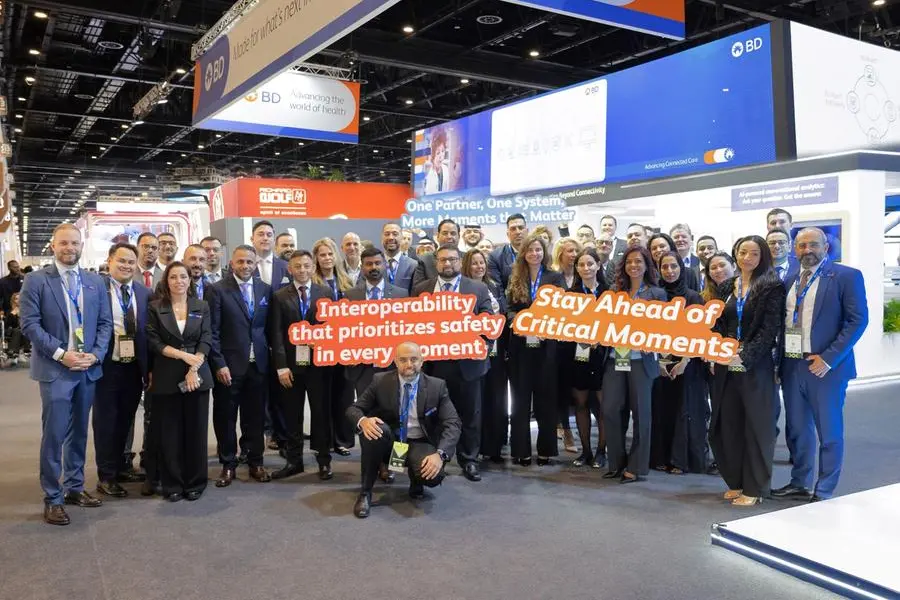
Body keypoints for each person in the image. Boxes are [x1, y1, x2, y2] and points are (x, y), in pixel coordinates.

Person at [20, 224, 113, 525]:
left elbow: (105, 323)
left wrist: (96, 354)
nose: (69, 248)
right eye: (63, 243)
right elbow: (30, 325)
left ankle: (74, 486)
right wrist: (62, 354)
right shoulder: (36, 280)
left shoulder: (94, 281)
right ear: (53, 245)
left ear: (81, 245)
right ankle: (53, 496)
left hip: (87, 367)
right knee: (55, 433)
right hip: (56, 369)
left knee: (80, 432)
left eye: (74, 243)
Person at [772, 228, 868, 502]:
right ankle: (799, 482)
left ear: (826, 247)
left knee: (829, 431)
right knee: (798, 429)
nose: (807, 250)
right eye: (802, 245)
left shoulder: (846, 276)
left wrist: (828, 358)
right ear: (795, 249)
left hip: (826, 367)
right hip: (793, 365)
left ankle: (824, 489)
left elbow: (857, 320)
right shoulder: (789, 279)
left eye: (813, 244)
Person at [710, 235, 786, 506]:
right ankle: (738, 482)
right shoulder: (727, 286)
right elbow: (718, 322)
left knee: (757, 427)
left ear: (762, 256)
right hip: (725, 363)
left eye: (754, 253)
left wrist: (744, 355)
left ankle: (755, 489)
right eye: (743, 252)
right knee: (728, 423)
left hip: (755, 366)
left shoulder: (771, 286)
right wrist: (717, 350)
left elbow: (769, 330)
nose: (747, 258)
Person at [346, 341, 462, 518]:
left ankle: (417, 478)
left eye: (414, 359)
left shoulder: (437, 386)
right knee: (373, 429)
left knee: (433, 476)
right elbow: (354, 409)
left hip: (419, 442)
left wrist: (440, 454)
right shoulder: (380, 381)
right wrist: (363, 421)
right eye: (403, 360)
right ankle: (365, 493)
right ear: (395, 361)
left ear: (422, 361)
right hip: (391, 441)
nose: (409, 364)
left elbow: (453, 422)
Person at [413, 244, 493, 482]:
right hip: (433, 365)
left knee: (470, 414)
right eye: (443, 260)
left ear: (460, 261)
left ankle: (469, 460)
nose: (447, 264)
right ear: (436, 263)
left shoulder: (477, 288)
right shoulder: (421, 289)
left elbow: (488, 322)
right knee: (435, 415)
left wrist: (482, 344)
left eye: (452, 259)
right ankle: (439, 460)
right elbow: (412, 324)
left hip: (468, 364)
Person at [145, 262, 213, 502]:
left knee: (196, 432)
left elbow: (206, 338)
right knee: (170, 434)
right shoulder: (156, 307)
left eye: (183, 276)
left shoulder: (201, 306)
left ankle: (196, 482)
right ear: (166, 281)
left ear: (189, 280)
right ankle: (172, 484)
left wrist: (193, 367)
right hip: (167, 375)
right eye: (173, 277)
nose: (179, 281)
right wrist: (184, 356)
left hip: (197, 375)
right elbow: (153, 341)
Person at [207, 245, 272, 488]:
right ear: (232, 263)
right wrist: (219, 363)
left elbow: (266, 328)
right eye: (241, 261)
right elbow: (212, 331)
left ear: (256, 264)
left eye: (249, 262)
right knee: (225, 417)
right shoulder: (216, 290)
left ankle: (256, 462)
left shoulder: (265, 289)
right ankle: (228, 464)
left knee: (255, 417)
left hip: (258, 366)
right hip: (228, 367)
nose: (245, 266)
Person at [601, 246, 666, 484]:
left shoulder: (657, 293)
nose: (634, 265)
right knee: (610, 409)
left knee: (641, 414)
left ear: (647, 265)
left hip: (641, 361)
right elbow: (602, 321)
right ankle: (616, 462)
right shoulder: (614, 291)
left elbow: (664, 326)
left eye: (638, 261)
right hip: (615, 358)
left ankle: (636, 467)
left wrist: (653, 341)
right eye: (629, 262)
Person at [269, 250, 334, 481]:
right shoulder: (279, 296)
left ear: (313, 267)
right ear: (290, 269)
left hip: (319, 365)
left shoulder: (325, 292)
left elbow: (333, 327)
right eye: (297, 266)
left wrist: (323, 342)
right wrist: (281, 366)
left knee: (321, 413)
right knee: (292, 414)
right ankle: (294, 461)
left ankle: (324, 460)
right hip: (291, 366)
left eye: (307, 266)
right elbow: (276, 334)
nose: (302, 270)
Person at [92, 243, 151, 498]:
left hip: (134, 367)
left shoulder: (143, 292)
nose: (126, 266)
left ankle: (120, 467)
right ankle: (106, 476)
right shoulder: (97, 289)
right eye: (121, 261)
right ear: (110, 261)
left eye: (130, 262)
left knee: (126, 420)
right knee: (106, 421)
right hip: (106, 365)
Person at [506, 232, 565, 466]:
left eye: (538, 249)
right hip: (520, 348)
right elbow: (509, 309)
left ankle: (545, 450)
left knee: (546, 401)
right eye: (530, 250)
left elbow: (561, 309)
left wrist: (544, 327)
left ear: (544, 252)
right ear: (524, 253)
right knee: (520, 401)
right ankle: (521, 450)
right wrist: (519, 323)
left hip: (546, 347)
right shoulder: (515, 277)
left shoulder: (554, 277)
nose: (534, 253)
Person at [649, 251, 708, 475]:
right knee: (660, 409)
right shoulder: (655, 295)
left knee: (683, 410)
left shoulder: (693, 298)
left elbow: (698, 333)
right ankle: (660, 457)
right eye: (664, 267)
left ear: (681, 268)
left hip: (686, 364)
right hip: (659, 362)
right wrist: (658, 362)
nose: (669, 271)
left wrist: (684, 361)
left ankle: (680, 460)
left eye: (673, 266)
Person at [344, 247, 410, 398]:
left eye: (377, 263)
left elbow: (406, 330)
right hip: (362, 367)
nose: (373, 267)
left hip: (392, 365)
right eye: (369, 264)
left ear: (385, 265)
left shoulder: (401, 295)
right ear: (362, 267)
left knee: (392, 407)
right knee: (366, 408)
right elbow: (344, 329)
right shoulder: (349, 296)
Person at [461, 248, 507, 463]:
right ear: (467, 266)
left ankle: (494, 446)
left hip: (497, 352)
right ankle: (474, 449)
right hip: (474, 353)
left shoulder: (494, 286)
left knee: (495, 399)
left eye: (482, 263)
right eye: (474, 263)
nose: (479, 267)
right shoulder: (463, 290)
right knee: (476, 403)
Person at [312, 237, 356, 456]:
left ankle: (342, 440)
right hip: (321, 348)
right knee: (323, 397)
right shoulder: (313, 284)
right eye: (322, 255)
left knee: (344, 396)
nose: (327, 258)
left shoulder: (347, 282)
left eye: (330, 254)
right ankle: (325, 442)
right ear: (316, 258)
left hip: (344, 348)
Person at [567, 248, 609, 468]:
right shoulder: (570, 294)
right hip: (579, 355)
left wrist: (602, 339)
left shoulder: (610, 293)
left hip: (603, 356)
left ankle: (601, 451)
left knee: (603, 406)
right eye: (581, 264)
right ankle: (586, 451)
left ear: (598, 265)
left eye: (590, 264)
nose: (586, 268)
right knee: (580, 403)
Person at [551, 236, 583, 453]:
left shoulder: (583, 274)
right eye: (569, 251)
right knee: (561, 390)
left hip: (581, 343)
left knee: (580, 389)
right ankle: (566, 432)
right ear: (560, 254)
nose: (573, 255)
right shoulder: (553, 277)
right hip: (559, 343)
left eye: (575, 251)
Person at [413, 219, 460, 288]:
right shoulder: (424, 260)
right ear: (437, 236)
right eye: (445, 233)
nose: (449, 236)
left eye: (453, 233)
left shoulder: (468, 258)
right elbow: (417, 289)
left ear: (459, 236)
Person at [488, 213, 529, 289]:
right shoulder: (495, 257)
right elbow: (497, 289)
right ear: (508, 234)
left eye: (521, 228)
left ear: (527, 231)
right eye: (513, 229)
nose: (518, 232)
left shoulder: (536, 253)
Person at [251, 221, 290, 291]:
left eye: (269, 235)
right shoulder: (243, 266)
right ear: (252, 239)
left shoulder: (286, 266)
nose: (265, 238)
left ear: (274, 240)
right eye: (261, 234)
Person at [382, 223, 417, 292]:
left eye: (395, 234)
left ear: (401, 238)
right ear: (382, 237)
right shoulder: (373, 264)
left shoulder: (413, 265)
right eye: (387, 234)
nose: (391, 237)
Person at [670, 224, 702, 291]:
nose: (680, 239)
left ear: (690, 239)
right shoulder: (665, 264)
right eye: (676, 237)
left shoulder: (700, 263)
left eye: (684, 237)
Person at [3, 292, 30, 365]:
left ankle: (20, 352)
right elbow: (7, 325)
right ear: (13, 300)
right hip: (11, 331)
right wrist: (12, 314)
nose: (18, 300)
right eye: (16, 299)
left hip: (23, 330)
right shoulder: (9, 311)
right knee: (17, 331)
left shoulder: (25, 310)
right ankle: (15, 353)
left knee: (24, 330)